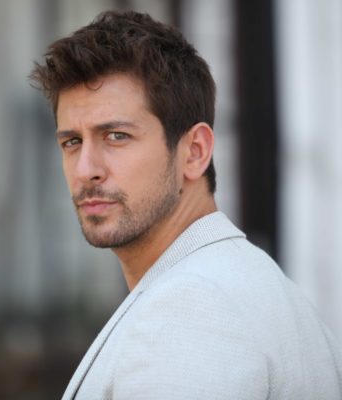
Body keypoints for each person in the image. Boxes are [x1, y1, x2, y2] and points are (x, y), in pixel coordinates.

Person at [30, 10, 342, 400]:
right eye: (72, 142)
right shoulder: (241, 283)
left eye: (116, 136)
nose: (85, 170)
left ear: (194, 152)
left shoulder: (194, 307)